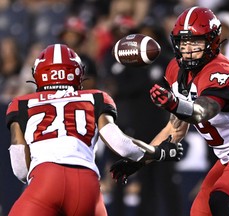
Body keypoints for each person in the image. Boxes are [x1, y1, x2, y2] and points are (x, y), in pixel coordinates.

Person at [109, 6, 229, 216]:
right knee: (200, 212)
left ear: (212, 42)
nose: (188, 48)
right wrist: (139, 161)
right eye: (183, 42)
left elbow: (203, 110)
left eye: (195, 41)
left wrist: (175, 104)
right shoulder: (175, 69)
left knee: (220, 201)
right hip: (228, 157)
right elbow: (175, 129)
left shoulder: (221, 70)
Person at [5, 44, 183, 216]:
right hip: (86, 184)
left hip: (45, 180)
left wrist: (41, 181)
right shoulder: (95, 97)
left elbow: (20, 166)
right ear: (77, 72)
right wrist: (158, 152)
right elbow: (121, 144)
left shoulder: (21, 104)